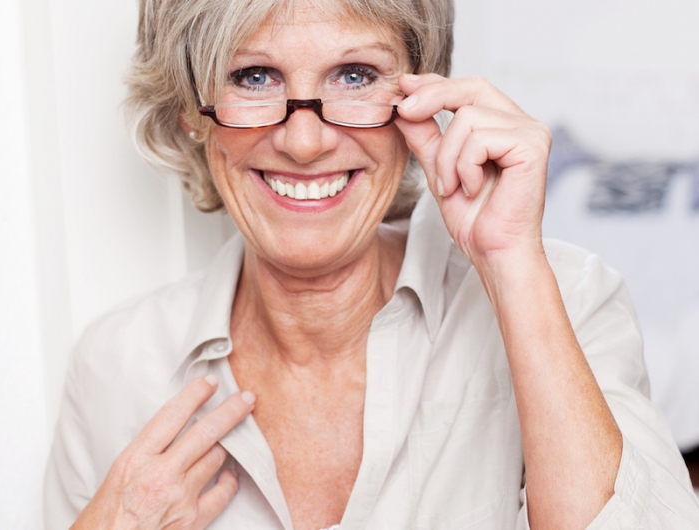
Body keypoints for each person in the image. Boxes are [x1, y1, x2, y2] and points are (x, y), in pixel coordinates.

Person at [43, 0, 699, 528]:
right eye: (254, 77)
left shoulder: (568, 300)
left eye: (355, 75)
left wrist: (510, 263)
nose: (304, 141)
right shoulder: (116, 368)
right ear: (192, 111)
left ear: (420, 97)